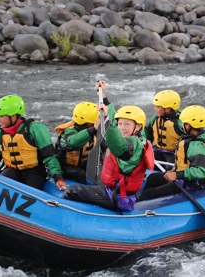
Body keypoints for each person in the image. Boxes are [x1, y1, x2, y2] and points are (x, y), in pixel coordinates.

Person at [63, 81, 154, 211]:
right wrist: (103, 95)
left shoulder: (133, 144)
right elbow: (113, 114)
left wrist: (107, 122)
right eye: (120, 124)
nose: (122, 128)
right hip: (115, 190)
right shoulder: (136, 135)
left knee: (72, 191)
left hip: (118, 197)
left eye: (127, 124)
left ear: (138, 127)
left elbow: (118, 146)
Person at [0, 95, 66, 191]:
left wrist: (58, 177)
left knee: (31, 189)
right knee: (5, 178)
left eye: (1, 116)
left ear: (13, 116)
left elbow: (49, 156)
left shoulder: (34, 129)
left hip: (34, 172)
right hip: (12, 171)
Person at [138, 105, 205, 201]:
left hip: (190, 185)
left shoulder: (197, 145)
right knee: (153, 178)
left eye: (183, 123)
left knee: (149, 194)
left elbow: (201, 171)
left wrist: (177, 175)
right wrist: (176, 169)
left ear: (188, 125)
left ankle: (138, 207)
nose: (181, 125)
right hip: (183, 178)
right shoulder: (196, 137)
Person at [54, 102, 99, 184]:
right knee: (79, 173)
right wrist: (93, 129)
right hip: (62, 167)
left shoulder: (93, 131)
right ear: (86, 123)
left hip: (82, 165)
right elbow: (72, 143)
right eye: (91, 123)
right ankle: (82, 193)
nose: (94, 124)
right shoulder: (69, 131)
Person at [144, 90, 185, 165]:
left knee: (168, 168)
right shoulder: (156, 118)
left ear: (168, 108)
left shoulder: (179, 122)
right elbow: (147, 132)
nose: (155, 109)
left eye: (158, 107)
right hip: (157, 151)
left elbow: (189, 139)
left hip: (173, 154)